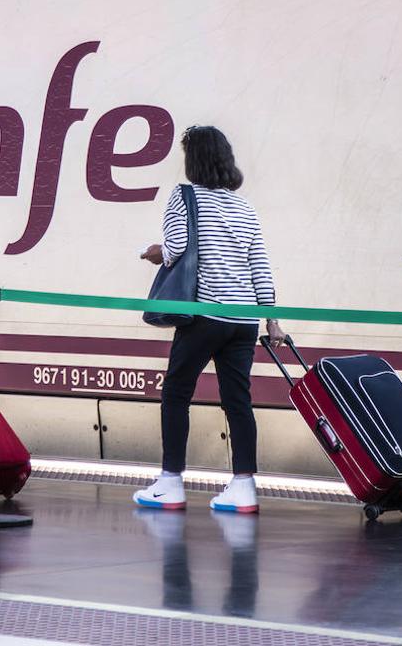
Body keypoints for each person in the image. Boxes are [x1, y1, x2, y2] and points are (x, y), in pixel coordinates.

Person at [133, 125, 284, 513]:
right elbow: (259, 265)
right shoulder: (244, 206)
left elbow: (178, 247)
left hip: (205, 313)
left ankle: (170, 483)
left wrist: (158, 252)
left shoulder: (183, 197)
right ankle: (243, 486)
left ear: (193, 159)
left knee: (176, 392)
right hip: (243, 319)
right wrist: (271, 320)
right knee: (238, 400)